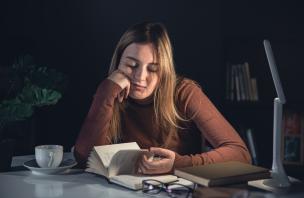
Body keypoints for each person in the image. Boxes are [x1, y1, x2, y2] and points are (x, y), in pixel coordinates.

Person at [74, 22, 251, 174]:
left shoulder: (185, 92)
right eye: (131, 65)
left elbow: (240, 154)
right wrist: (106, 90)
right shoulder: (109, 92)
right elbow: (85, 160)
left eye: (152, 69)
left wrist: (177, 164)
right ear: (118, 62)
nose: (140, 77)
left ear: (164, 71)